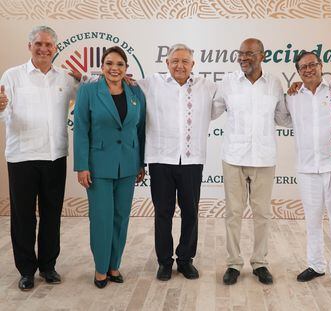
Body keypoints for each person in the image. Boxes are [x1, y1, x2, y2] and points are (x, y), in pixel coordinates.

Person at [0, 26, 81, 291]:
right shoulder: (12, 76)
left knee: (52, 214)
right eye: (38, 44)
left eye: (48, 45)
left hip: (55, 155)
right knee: (23, 217)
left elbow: (89, 99)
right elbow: (3, 111)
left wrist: (94, 80)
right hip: (22, 156)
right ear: (29, 46)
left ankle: (48, 266)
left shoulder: (66, 80)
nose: (43, 49)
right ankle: (26, 270)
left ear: (55, 48)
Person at [137, 44, 217, 281]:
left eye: (185, 61)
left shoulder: (208, 87)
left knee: (190, 212)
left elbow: (230, 99)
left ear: (193, 65)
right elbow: (121, 82)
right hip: (161, 159)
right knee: (163, 212)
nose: (180, 65)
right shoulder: (151, 83)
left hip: (192, 160)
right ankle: (164, 262)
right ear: (167, 63)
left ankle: (185, 260)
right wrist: (85, 78)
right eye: (175, 61)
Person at [280, 51, 331, 293]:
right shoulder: (292, 97)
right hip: (307, 167)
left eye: (312, 64)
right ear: (298, 71)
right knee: (312, 219)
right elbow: (281, 118)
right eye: (303, 67)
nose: (308, 69)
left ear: (321, 66)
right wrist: (289, 90)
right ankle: (315, 264)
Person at [213, 38, 284, 285]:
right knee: (233, 213)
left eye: (249, 54)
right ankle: (233, 263)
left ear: (262, 55)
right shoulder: (228, 83)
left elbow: (284, 118)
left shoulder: (275, 83)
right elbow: (211, 111)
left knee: (262, 213)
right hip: (233, 156)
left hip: (264, 158)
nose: (243, 58)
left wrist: (299, 93)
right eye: (240, 53)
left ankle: (260, 263)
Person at [73, 46, 146, 288]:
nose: (114, 68)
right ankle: (101, 268)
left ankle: (115, 265)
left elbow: (140, 130)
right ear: (102, 67)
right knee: (102, 218)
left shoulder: (136, 93)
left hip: (127, 165)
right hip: (97, 167)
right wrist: (82, 166)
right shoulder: (89, 91)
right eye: (109, 63)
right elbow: (81, 129)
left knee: (121, 218)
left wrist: (140, 164)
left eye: (120, 64)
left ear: (126, 68)